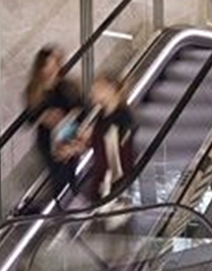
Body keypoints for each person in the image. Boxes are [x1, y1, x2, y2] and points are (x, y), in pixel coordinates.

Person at [23, 45, 84, 208]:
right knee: (59, 173)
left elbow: (82, 108)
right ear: (40, 67)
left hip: (69, 134)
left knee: (70, 170)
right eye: (47, 65)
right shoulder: (34, 90)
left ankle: (71, 205)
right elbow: (29, 119)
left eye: (54, 64)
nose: (51, 70)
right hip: (48, 139)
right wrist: (44, 116)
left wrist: (67, 116)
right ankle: (64, 207)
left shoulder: (68, 86)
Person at [78, 73, 137, 206]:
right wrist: (85, 142)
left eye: (97, 89)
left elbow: (116, 153)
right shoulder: (102, 114)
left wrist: (112, 187)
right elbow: (100, 143)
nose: (92, 94)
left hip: (114, 182)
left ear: (110, 89)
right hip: (103, 177)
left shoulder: (122, 118)